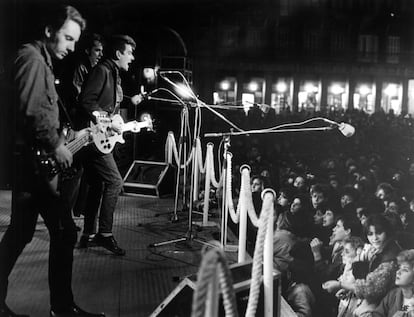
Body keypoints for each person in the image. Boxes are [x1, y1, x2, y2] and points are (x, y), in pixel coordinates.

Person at [0, 5, 104, 317]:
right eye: (68, 38)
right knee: (63, 231)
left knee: (21, 232)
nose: (73, 47)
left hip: (28, 166)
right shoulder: (32, 59)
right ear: (49, 32)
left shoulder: (38, 59)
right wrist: (57, 144)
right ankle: (62, 307)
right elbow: (33, 112)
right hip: (33, 167)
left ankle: (60, 306)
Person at [76, 35, 142, 255]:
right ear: (118, 54)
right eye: (129, 52)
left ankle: (88, 234)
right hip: (93, 138)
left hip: (99, 137)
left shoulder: (112, 72)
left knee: (96, 185)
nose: (132, 57)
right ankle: (105, 234)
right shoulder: (103, 71)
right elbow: (87, 101)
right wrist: (105, 119)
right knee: (114, 182)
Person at [374, 249, 414, 317]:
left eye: (405, 269)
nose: (398, 272)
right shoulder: (392, 295)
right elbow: (377, 314)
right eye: (399, 267)